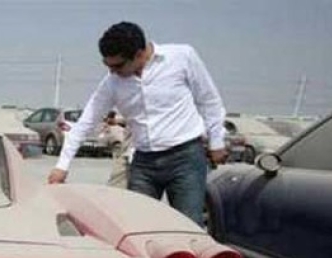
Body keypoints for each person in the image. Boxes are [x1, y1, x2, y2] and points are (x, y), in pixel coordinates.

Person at [47, 21, 227, 226]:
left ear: (140, 54)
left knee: (187, 227)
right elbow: (86, 123)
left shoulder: (182, 57)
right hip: (144, 164)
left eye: (118, 66)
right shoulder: (112, 83)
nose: (112, 72)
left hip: (185, 160)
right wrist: (62, 166)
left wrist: (217, 141)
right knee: (137, 227)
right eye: (107, 66)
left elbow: (208, 100)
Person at [100, 111, 133, 188]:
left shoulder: (112, 129)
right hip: (128, 153)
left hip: (124, 155)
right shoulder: (115, 128)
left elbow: (102, 141)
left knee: (116, 184)